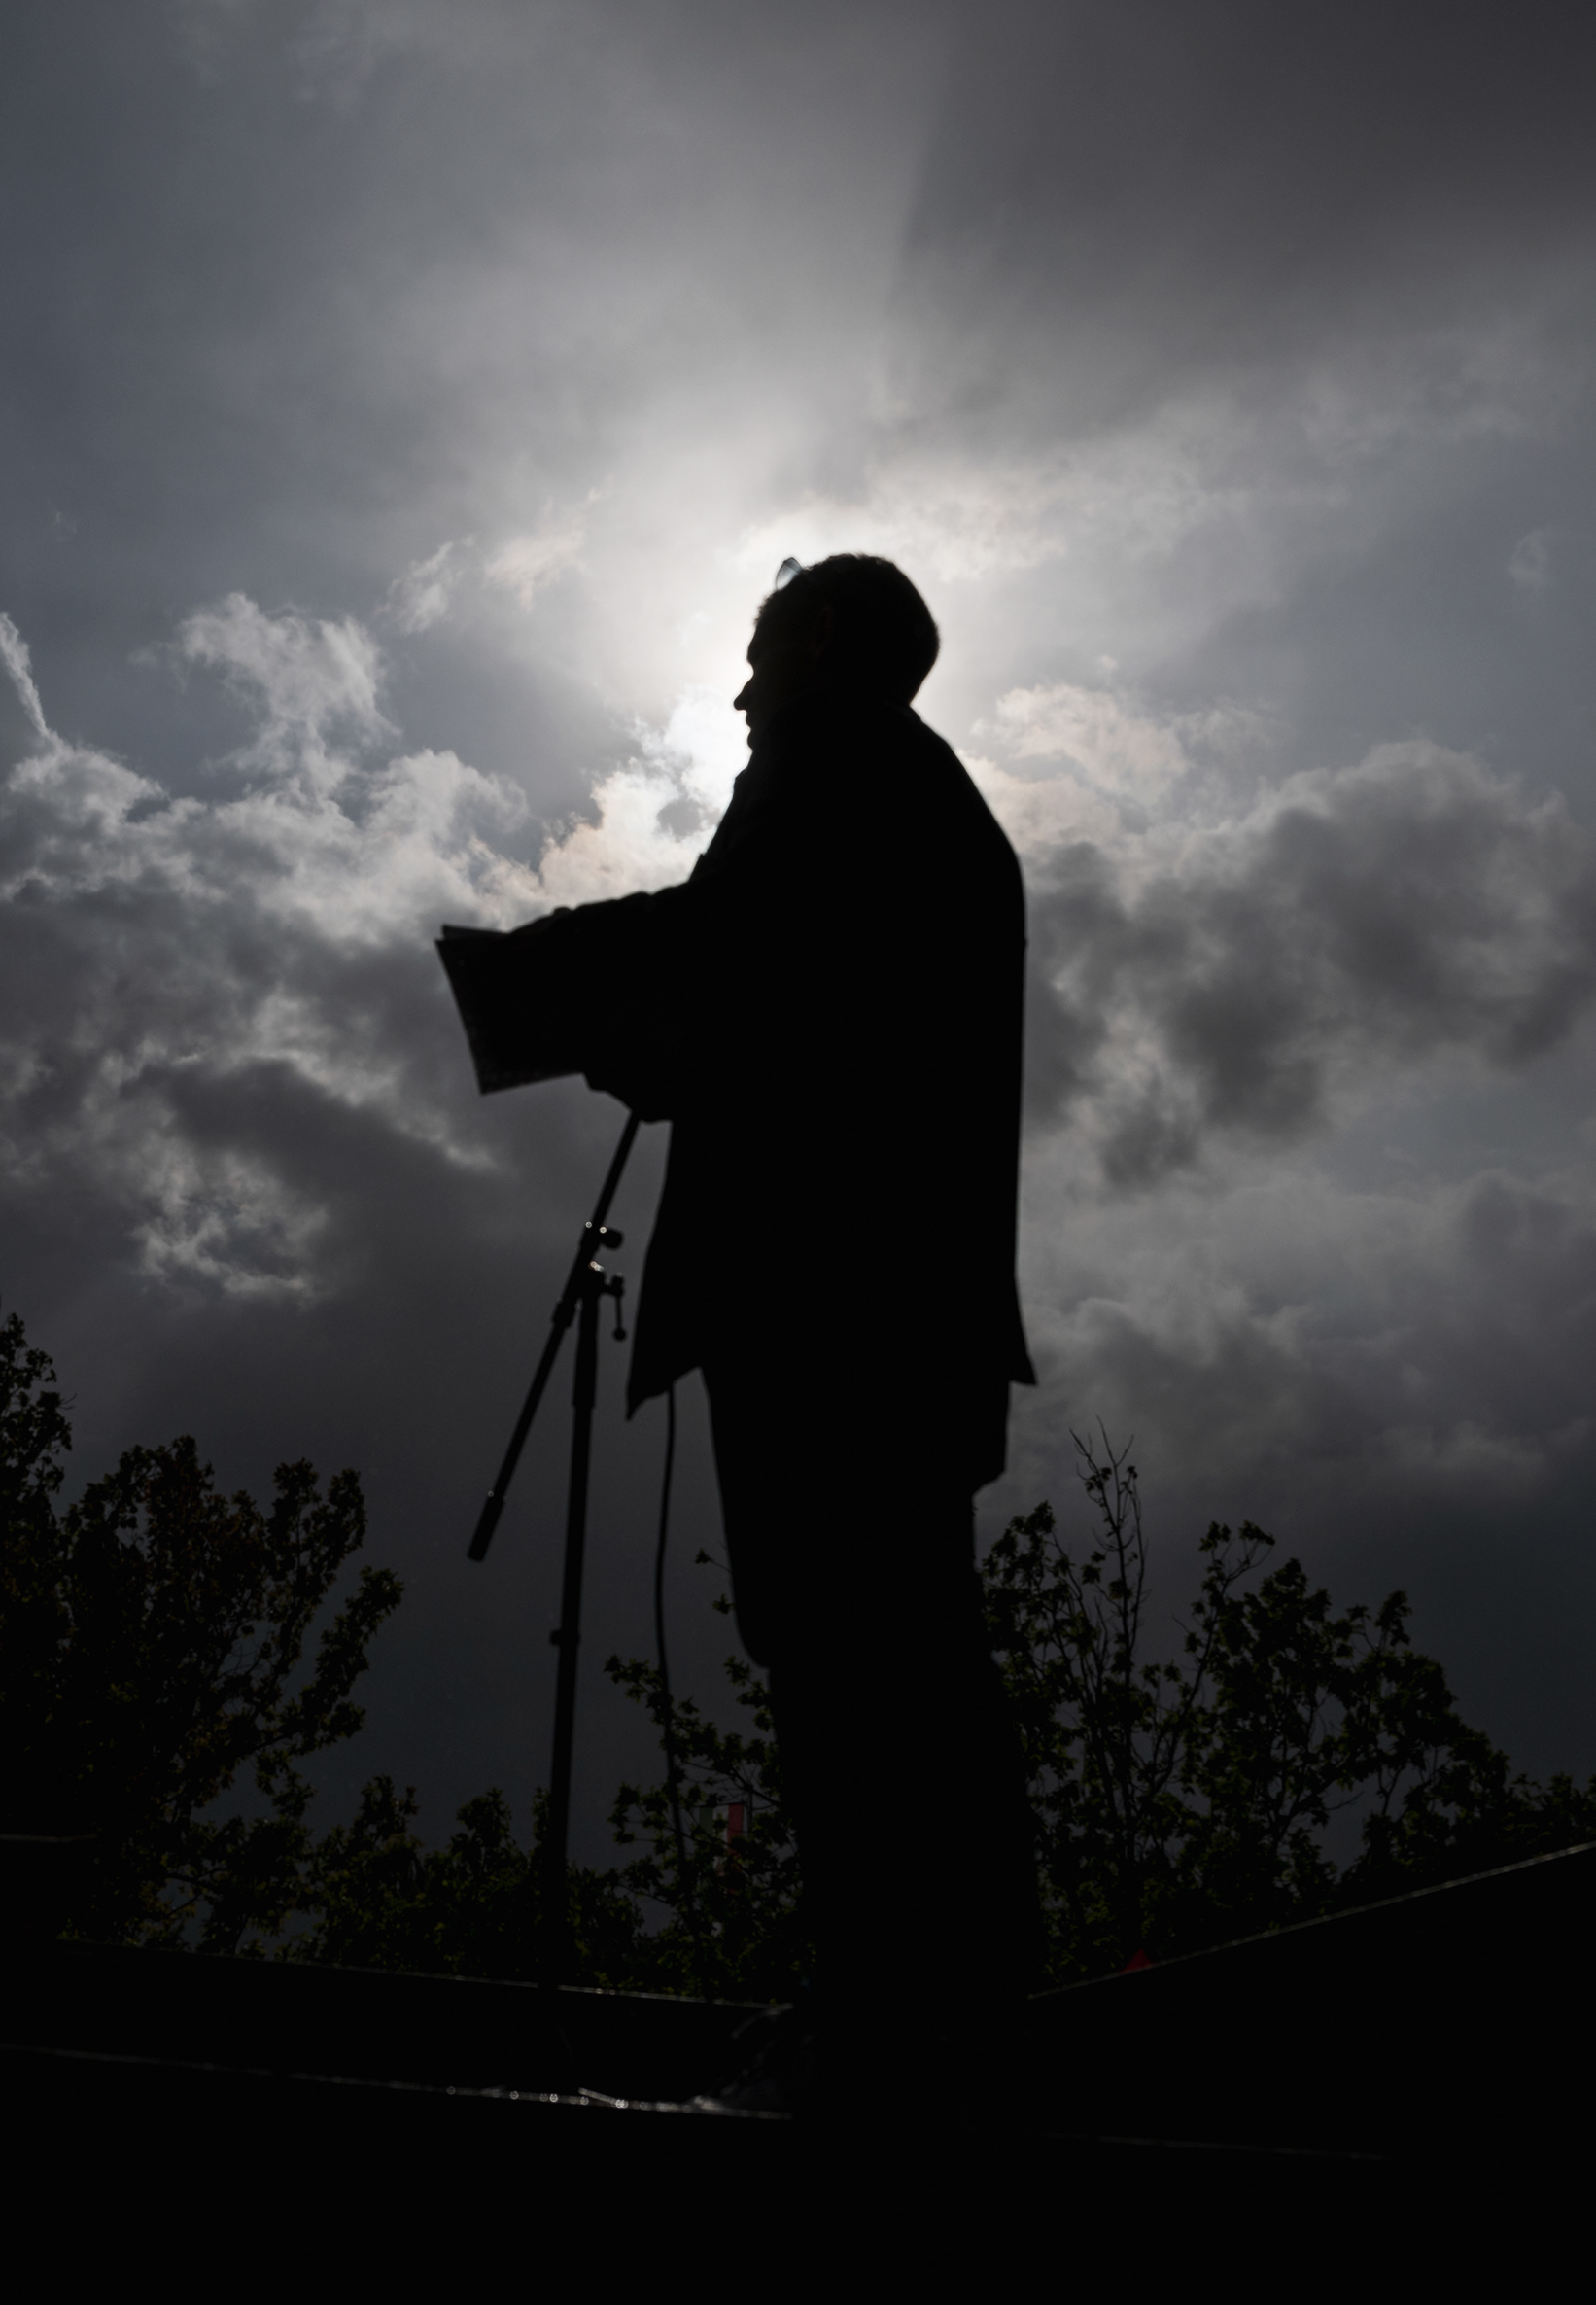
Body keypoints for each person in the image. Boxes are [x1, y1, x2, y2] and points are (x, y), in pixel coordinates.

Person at [499, 552, 1040, 2104]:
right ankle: (945, 2002)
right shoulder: (922, 798)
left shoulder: (834, 763)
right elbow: (794, 1003)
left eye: (757, 650)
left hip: (827, 1297)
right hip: (899, 1304)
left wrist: (533, 983)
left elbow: (726, 957)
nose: (738, 691)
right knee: (902, 1650)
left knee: (849, 1652)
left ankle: (888, 2019)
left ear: (822, 643)